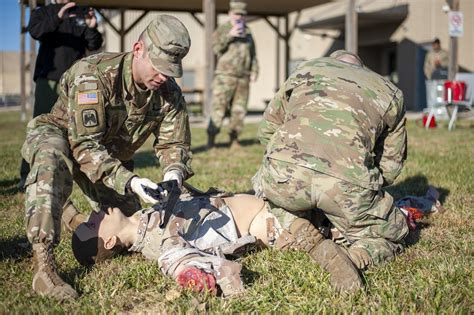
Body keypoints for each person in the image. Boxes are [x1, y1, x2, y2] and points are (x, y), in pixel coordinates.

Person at [21, 15, 193, 300]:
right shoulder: (93, 74)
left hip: (110, 159)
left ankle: (73, 218)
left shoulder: (168, 93)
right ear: (139, 50)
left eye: (171, 69)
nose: (164, 76)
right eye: (159, 66)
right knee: (51, 155)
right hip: (64, 137)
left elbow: (175, 143)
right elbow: (84, 145)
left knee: (126, 218)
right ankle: (43, 265)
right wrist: (131, 180)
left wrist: (173, 173)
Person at [252, 50, 409, 290]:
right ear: (361, 69)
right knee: (393, 233)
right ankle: (355, 257)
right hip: (347, 186)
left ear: (330, 63)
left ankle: (297, 224)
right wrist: (364, 188)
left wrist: (290, 161)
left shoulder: (305, 70)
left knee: (264, 184)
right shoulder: (389, 92)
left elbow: (267, 130)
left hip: (285, 175)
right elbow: (391, 166)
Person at [72, 191, 353, 297]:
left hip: (265, 200)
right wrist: (196, 275)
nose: (95, 214)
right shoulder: (155, 241)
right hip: (266, 224)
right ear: (108, 241)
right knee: (341, 225)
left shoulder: (142, 215)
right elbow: (174, 259)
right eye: (92, 224)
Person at [18, 0, 103, 191]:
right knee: (39, 127)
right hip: (49, 79)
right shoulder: (44, 12)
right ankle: (26, 176)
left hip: (75, 82)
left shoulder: (81, 13)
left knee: (79, 128)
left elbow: (95, 43)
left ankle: (74, 174)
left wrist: (92, 27)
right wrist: (58, 17)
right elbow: (36, 31)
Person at [206, 0, 259, 149]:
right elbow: (216, 49)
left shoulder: (248, 32)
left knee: (239, 110)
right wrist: (229, 35)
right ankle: (211, 139)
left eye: (242, 14)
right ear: (230, 14)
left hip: (243, 77)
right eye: (236, 13)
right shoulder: (223, 29)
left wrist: (254, 71)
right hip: (225, 76)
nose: (239, 17)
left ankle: (234, 139)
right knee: (219, 108)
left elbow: (253, 55)